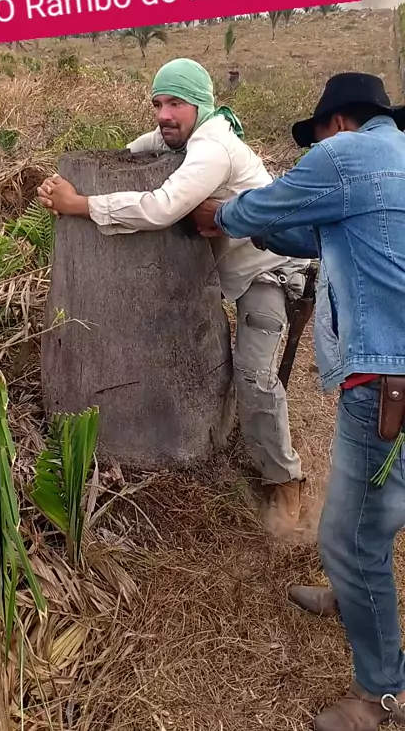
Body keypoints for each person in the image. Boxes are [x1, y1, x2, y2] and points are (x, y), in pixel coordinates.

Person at [192, 71, 405, 731]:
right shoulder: (392, 161)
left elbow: (261, 209)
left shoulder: (346, 155)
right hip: (388, 376)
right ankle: (352, 596)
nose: (316, 149)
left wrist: (219, 216)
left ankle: (382, 694)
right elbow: (309, 236)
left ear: (335, 124)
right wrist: (264, 231)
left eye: (315, 139)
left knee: (350, 537)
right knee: (370, 513)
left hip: (386, 381)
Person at [37, 57, 310, 536]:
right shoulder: (190, 134)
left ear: (201, 104)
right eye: (158, 103)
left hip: (269, 271)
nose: (164, 114)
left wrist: (79, 202)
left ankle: (286, 481)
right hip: (236, 273)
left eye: (176, 103)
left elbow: (161, 207)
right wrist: (92, 172)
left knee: (254, 374)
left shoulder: (212, 148)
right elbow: (143, 146)